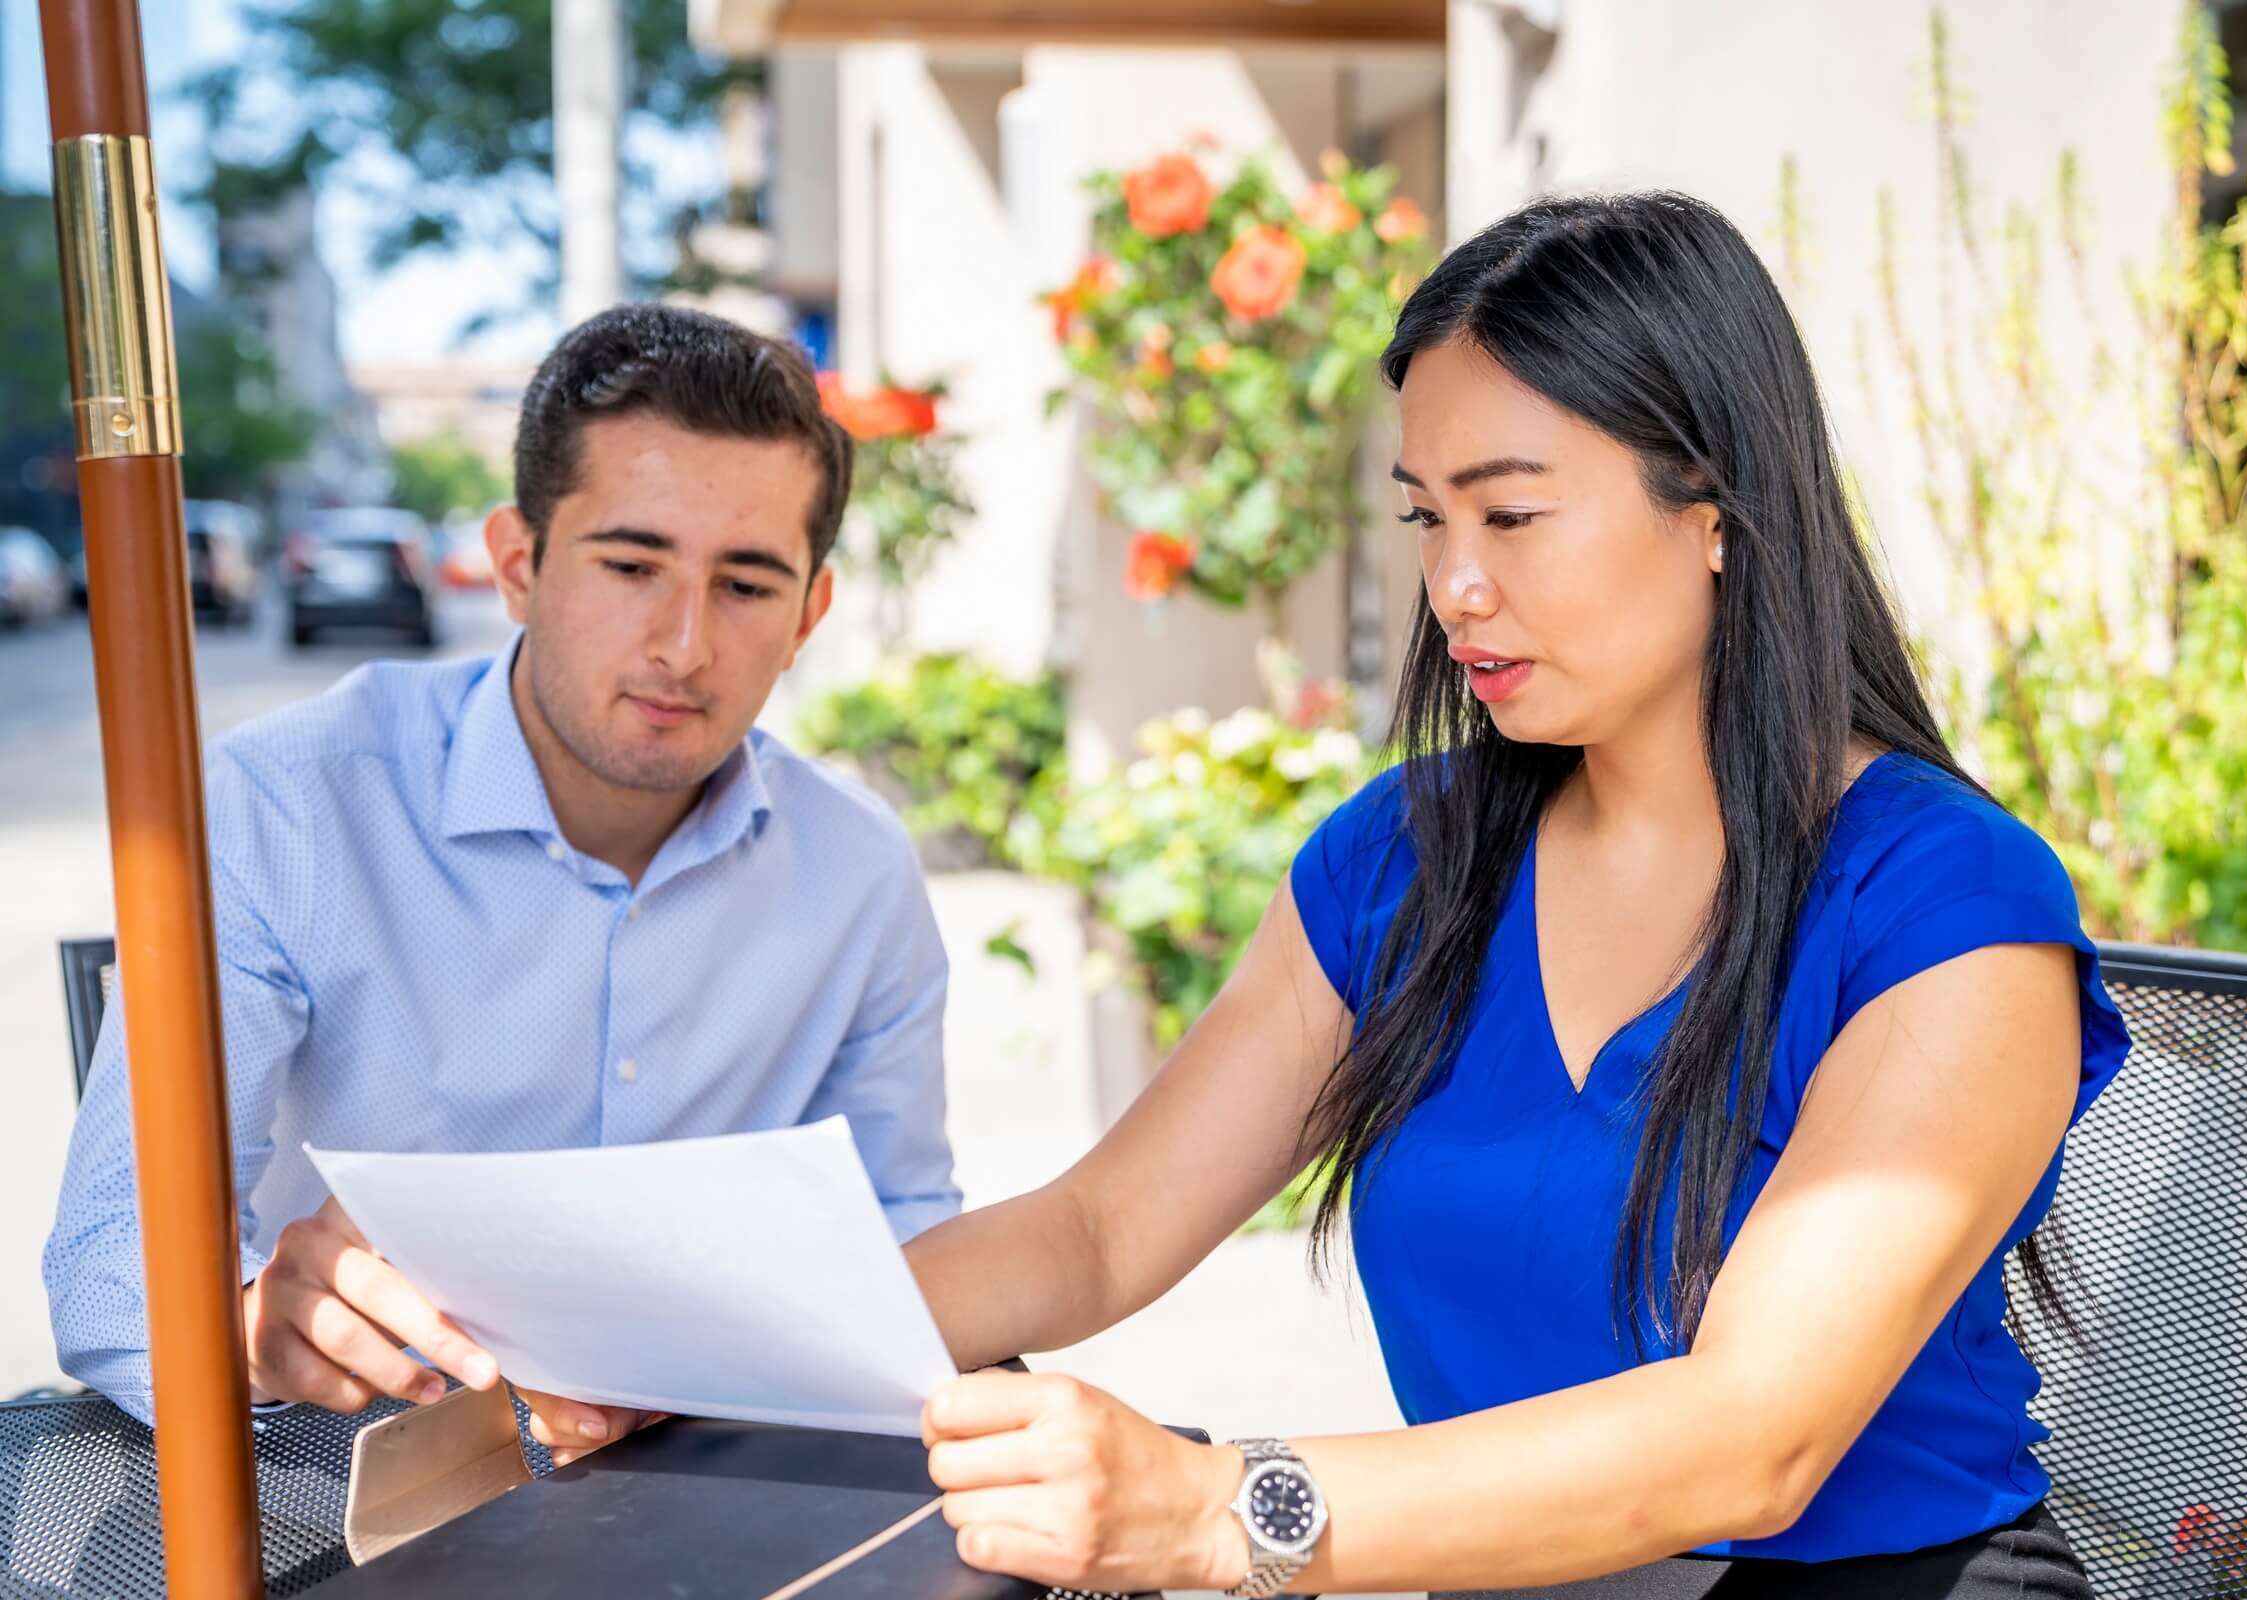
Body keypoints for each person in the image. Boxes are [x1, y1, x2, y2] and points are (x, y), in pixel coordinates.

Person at [891, 193, 2126, 1598]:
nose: (1455, 585)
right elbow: (1098, 1229)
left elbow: (1751, 1439)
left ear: (1714, 511)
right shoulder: (1403, 863)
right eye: (1427, 518)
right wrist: (694, 1347)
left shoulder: (1946, 899)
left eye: (1515, 512)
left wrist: (1209, 1510)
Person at [45, 304, 961, 1459]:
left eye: (745, 586)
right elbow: (110, 1256)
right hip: (361, 1473)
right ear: (518, 564)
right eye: (632, 565)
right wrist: (248, 1328)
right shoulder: (285, 811)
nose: (684, 644)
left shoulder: (860, 872)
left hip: (718, 1476)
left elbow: (907, 1232)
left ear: (809, 615)